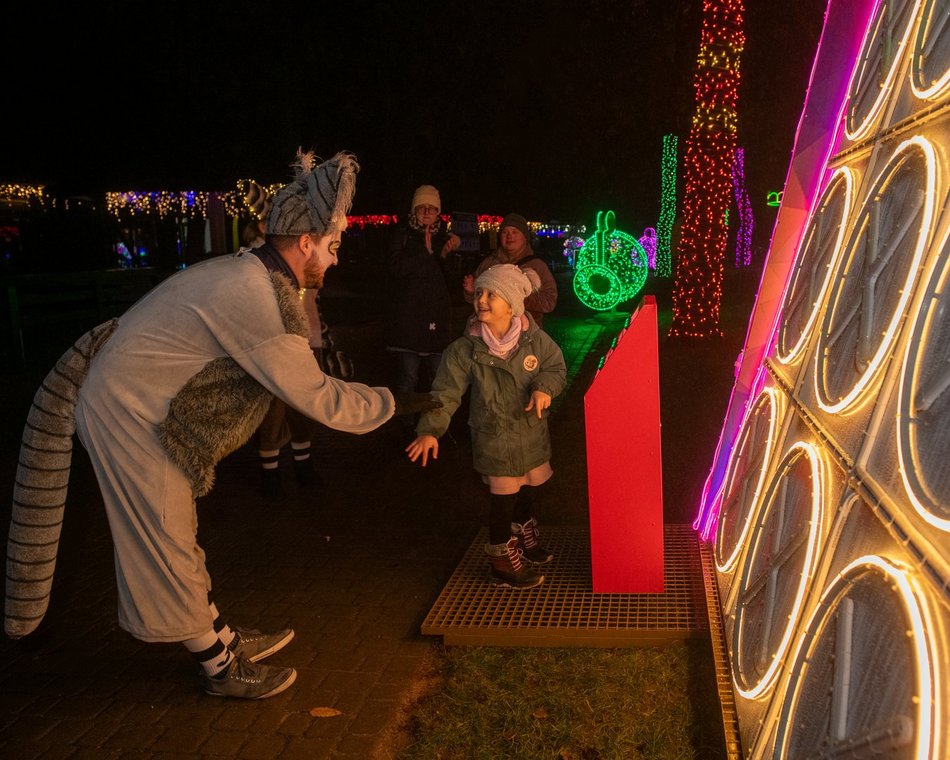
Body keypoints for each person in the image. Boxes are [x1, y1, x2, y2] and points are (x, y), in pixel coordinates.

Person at [4, 150, 438, 700]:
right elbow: (319, 397)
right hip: (127, 410)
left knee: (176, 533)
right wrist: (397, 402)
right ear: (304, 242)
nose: (334, 261)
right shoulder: (255, 296)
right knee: (164, 540)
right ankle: (219, 668)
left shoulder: (252, 269)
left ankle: (222, 638)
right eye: (331, 248)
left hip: (143, 401)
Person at [407, 264, 566, 588]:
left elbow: (555, 367)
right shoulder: (464, 350)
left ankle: (523, 535)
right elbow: (444, 393)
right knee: (502, 499)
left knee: (528, 488)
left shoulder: (534, 340)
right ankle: (501, 561)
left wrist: (543, 388)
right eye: (479, 292)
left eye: (492, 294)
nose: (481, 299)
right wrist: (429, 430)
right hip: (495, 439)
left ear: (512, 305)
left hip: (530, 434)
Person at [385, 184, 460, 440]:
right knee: (408, 377)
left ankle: (436, 425)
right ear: (414, 210)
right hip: (408, 319)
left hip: (436, 317)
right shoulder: (402, 234)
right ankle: (406, 426)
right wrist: (424, 252)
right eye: (422, 207)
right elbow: (395, 269)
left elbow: (452, 279)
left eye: (432, 208)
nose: (427, 212)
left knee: (439, 378)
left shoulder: (445, 237)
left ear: (439, 212)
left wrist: (447, 255)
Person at [463, 213, 558, 327]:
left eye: (515, 232)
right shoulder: (488, 263)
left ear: (525, 237)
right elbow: (475, 299)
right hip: (490, 334)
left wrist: (516, 297)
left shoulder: (537, 266)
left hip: (524, 334)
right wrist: (470, 291)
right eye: (505, 232)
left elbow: (549, 302)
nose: (509, 236)